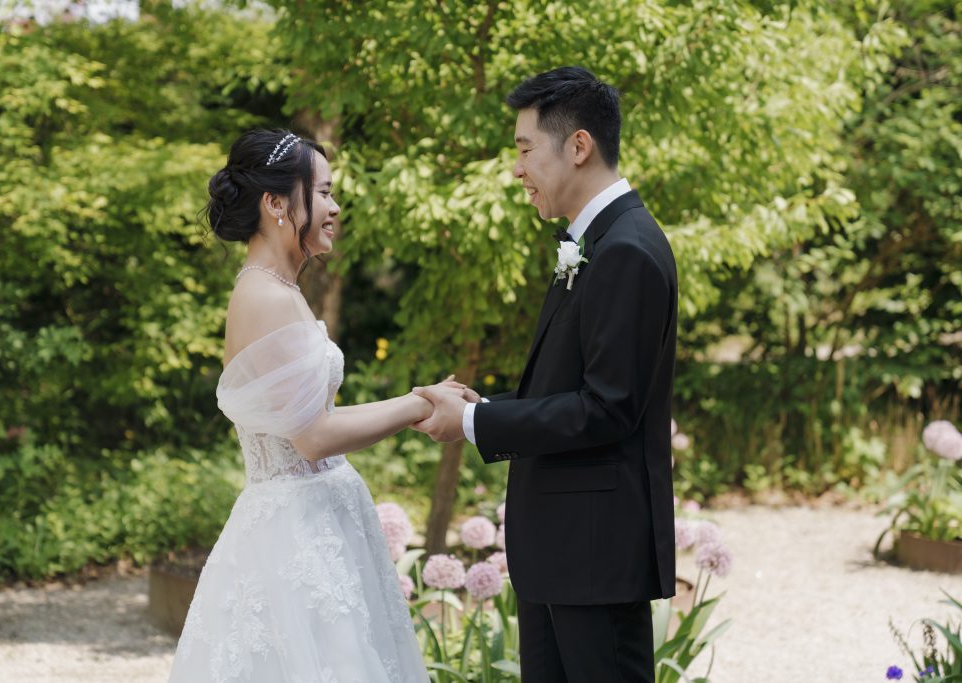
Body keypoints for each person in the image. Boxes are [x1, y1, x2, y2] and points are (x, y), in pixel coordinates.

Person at [413, 66, 678, 682]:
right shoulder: (596, 244)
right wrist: (489, 409)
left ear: (578, 146)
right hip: (565, 556)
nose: (517, 169)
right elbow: (573, 391)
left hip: (595, 558)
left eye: (525, 149)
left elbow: (608, 408)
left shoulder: (627, 251)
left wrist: (478, 422)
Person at [168, 128, 448, 682]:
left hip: (320, 519)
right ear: (276, 203)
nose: (334, 207)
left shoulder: (279, 288)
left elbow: (310, 422)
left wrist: (417, 400)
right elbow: (314, 437)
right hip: (294, 533)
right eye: (322, 192)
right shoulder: (265, 298)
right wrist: (420, 405)